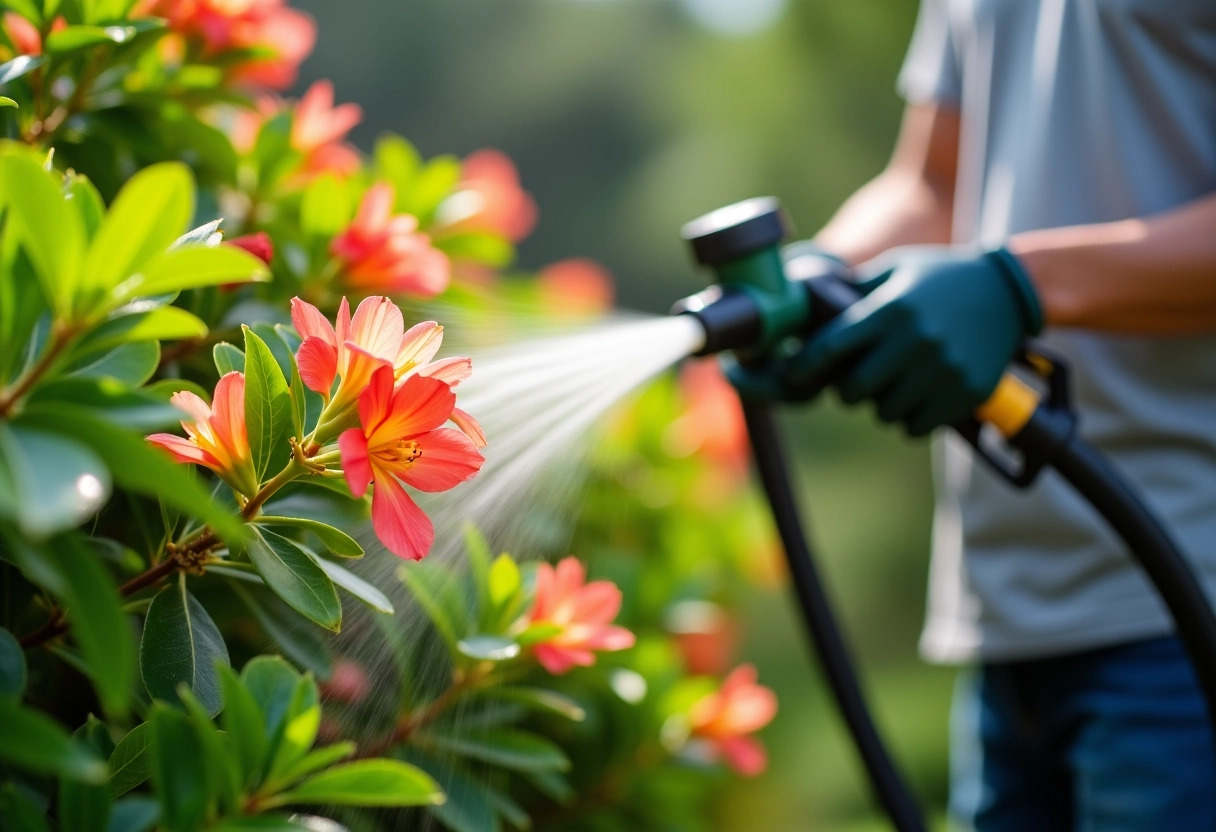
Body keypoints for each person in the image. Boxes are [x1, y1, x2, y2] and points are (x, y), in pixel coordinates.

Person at [735, 1, 1216, 829]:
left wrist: (1021, 284)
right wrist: (822, 277)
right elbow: (934, 181)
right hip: (1009, 620)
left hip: (1187, 599)